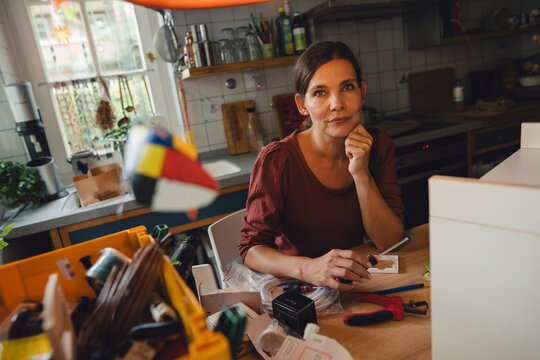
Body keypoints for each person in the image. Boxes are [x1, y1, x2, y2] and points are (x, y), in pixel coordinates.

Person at [238, 41, 404, 290]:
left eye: (347, 87)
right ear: (302, 104)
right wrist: (309, 268)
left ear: (363, 92)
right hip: (301, 290)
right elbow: (251, 250)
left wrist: (361, 174)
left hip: (356, 284)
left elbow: (389, 241)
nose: (337, 103)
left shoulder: (378, 144)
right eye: (320, 92)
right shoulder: (277, 160)